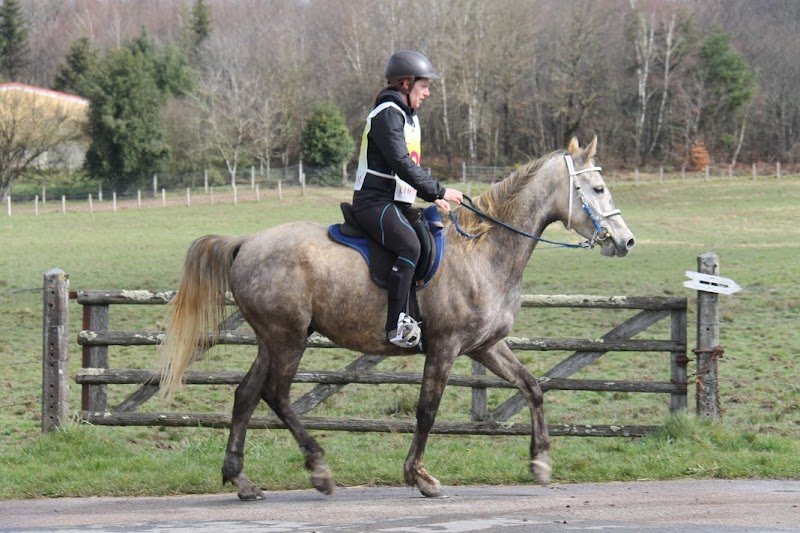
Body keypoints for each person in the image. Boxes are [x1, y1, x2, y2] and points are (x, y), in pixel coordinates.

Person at [352, 50, 463, 348]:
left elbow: (405, 168)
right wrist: (437, 190)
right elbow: (401, 163)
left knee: (428, 235)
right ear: (405, 83)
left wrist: (428, 197)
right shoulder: (388, 114)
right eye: (423, 86)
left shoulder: (405, 116)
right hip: (373, 202)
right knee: (410, 245)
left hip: (395, 202)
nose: (427, 92)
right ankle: (396, 326)